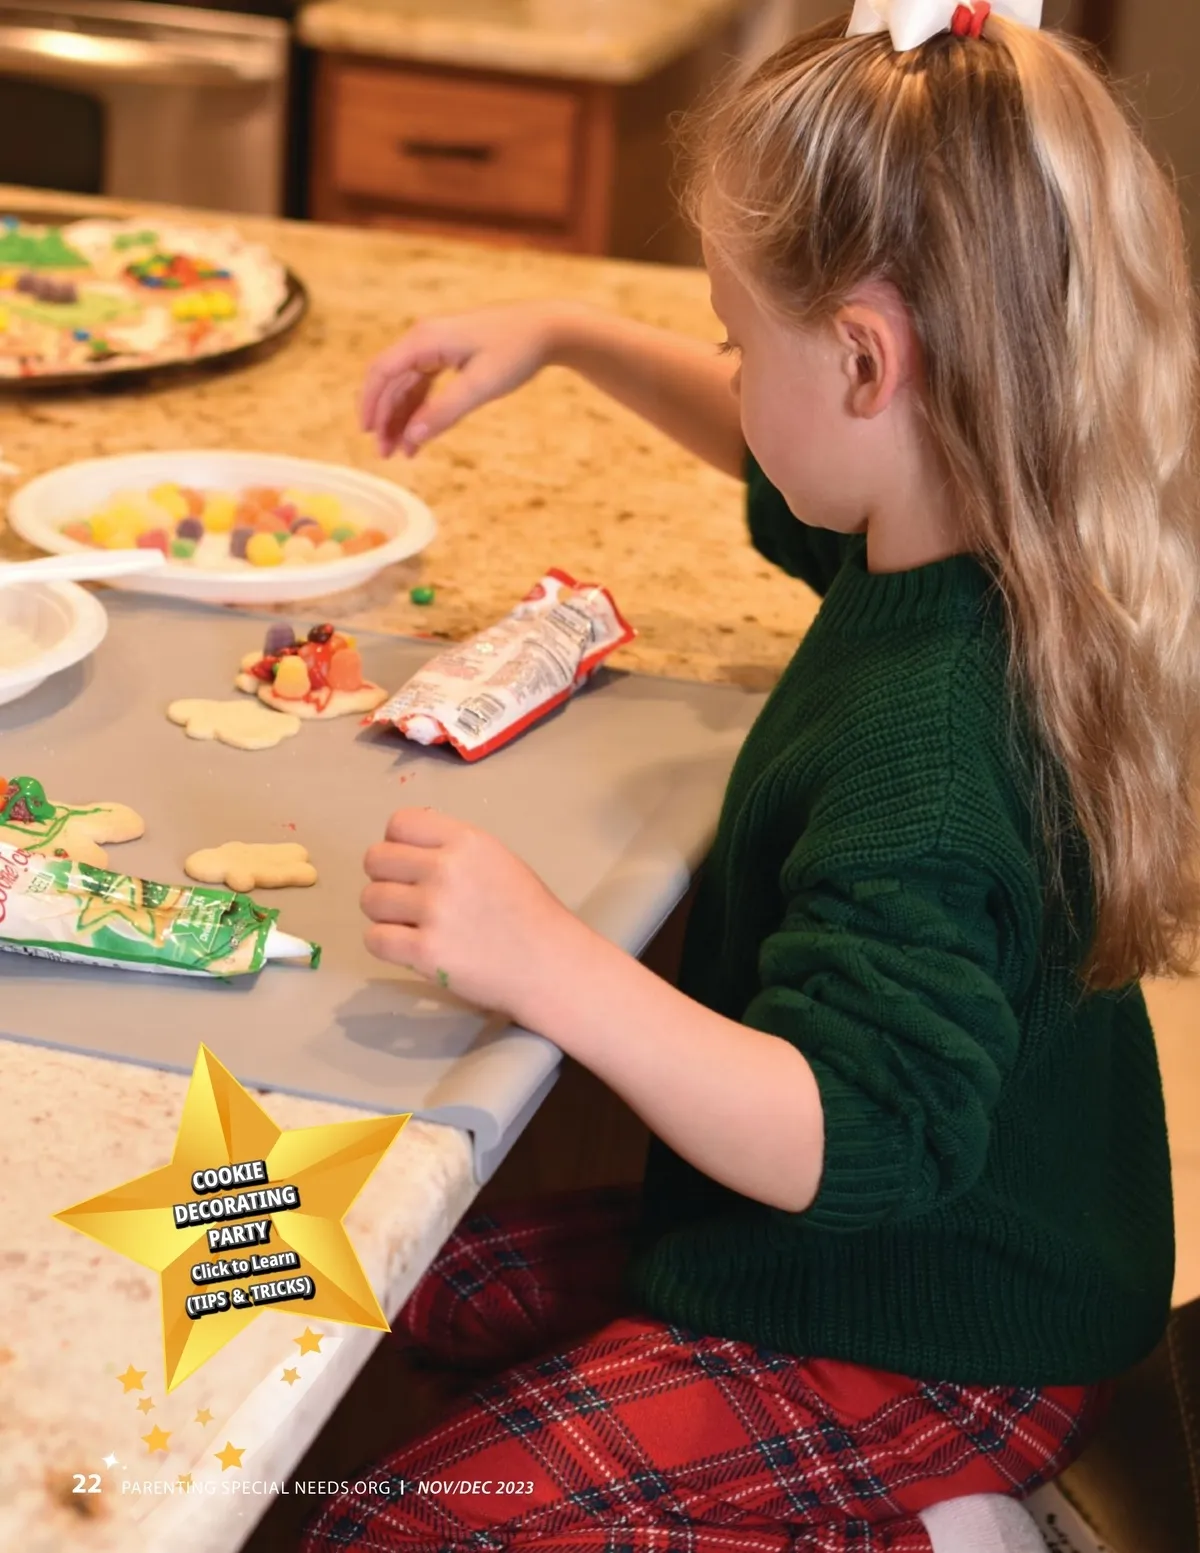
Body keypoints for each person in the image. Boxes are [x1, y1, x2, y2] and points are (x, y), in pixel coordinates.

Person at [303, 4, 1200, 1548]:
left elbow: (856, 1137)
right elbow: (775, 443)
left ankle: (934, 1522)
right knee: (325, 1263)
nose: (728, 368)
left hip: (935, 1332)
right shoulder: (960, 533)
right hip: (864, 1248)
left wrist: (549, 960)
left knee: (393, 1521)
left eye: (735, 335)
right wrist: (569, 335)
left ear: (865, 361)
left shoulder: (931, 752)